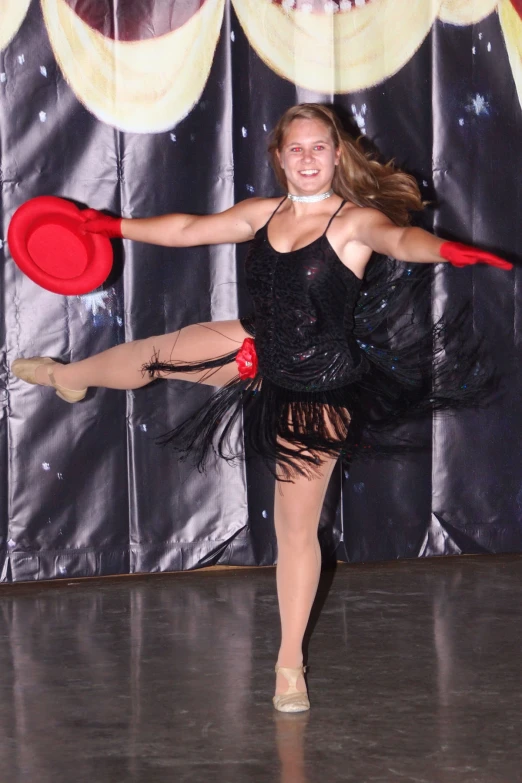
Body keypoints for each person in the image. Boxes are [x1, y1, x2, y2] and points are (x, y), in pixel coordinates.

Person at [11, 104, 512, 713]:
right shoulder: (263, 213)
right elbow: (187, 229)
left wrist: (444, 251)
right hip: (255, 348)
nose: (307, 158)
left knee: (295, 531)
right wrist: (107, 228)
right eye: (295, 149)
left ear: (337, 154)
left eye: (318, 148)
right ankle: (68, 377)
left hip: (318, 390)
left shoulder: (354, 222)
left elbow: (399, 239)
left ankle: (289, 663)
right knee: (153, 354)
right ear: (279, 157)